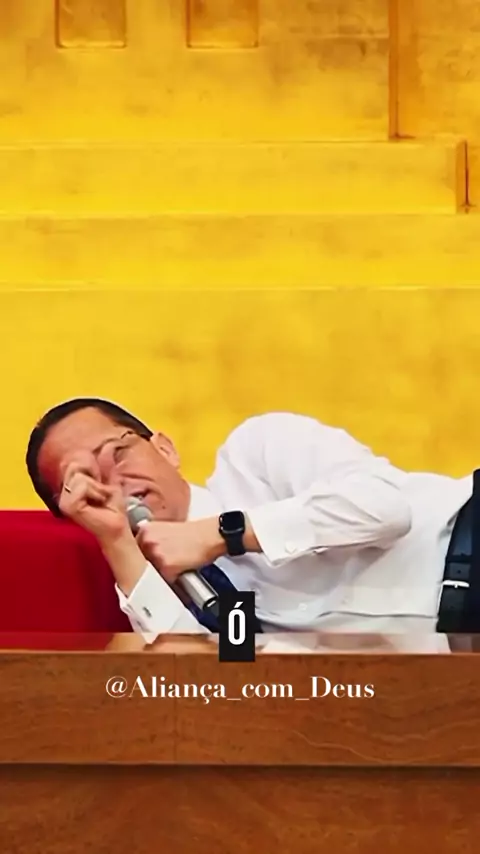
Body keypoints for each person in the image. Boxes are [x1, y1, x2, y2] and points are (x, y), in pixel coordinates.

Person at [26, 398, 474, 638]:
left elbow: (385, 508)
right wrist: (118, 542)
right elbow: (201, 686)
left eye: (118, 453)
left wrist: (222, 535)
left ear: (165, 448)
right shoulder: (168, 597)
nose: (113, 482)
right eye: (83, 482)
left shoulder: (256, 452)